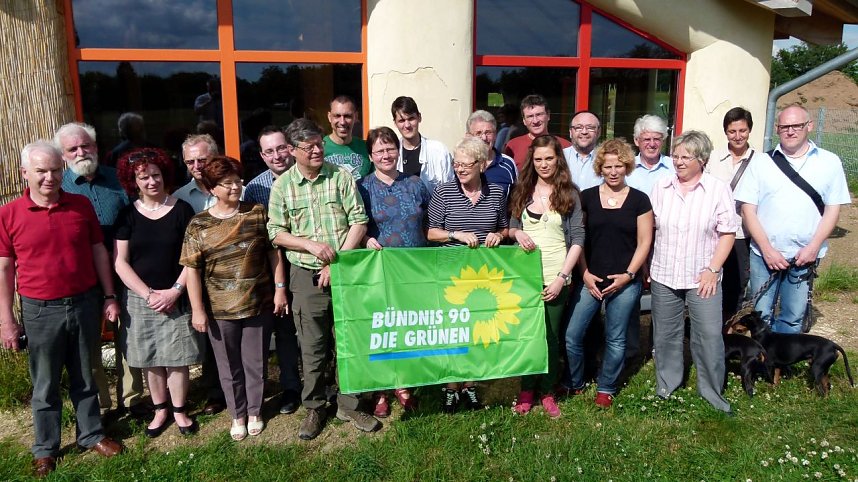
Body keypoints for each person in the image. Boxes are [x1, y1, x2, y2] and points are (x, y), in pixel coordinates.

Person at [0, 141, 123, 477]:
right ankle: (45, 449)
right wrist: (6, 319)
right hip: (40, 309)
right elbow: (5, 269)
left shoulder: (80, 206)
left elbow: (99, 252)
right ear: (24, 173)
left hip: (84, 301)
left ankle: (91, 434)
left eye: (55, 170)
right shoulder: (9, 214)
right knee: (45, 383)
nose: (50, 177)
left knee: (86, 374)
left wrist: (109, 295)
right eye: (41, 171)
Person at [268, 118, 380, 440]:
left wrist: (337, 262)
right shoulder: (283, 187)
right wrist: (309, 245)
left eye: (320, 143)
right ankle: (315, 406)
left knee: (348, 340)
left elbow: (359, 221)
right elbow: (275, 232)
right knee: (313, 346)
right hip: (304, 275)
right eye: (310, 147)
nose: (318, 150)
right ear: (292, 151)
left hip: (344, 272)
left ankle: (350, 403)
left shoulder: (340, 177)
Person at [181, 156, 288, 441]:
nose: (235, 187)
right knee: (228, 365)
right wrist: (197, 310)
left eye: (238, 181)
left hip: (258, 303)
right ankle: (237, 414)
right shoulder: (198, 225)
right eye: (227, 183)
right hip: (219, 309)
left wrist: (279, 288)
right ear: (212, 188)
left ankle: (255, 411)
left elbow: (273, 253)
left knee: (255, 362)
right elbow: (192, 269)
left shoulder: (256, 213)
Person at [735, 104, 851, 334]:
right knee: (761, 315)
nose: (790, 131)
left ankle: (783, 365)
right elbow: (748, 209)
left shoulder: (829, 162)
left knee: (792, 316)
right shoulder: (761, 162)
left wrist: (813, 247)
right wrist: (767, 249)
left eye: (796, 125)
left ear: (809, 126)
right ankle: (762, 365)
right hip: (763, 254)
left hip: (804, 256)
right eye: (784, 126)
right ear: (777, 129)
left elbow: (832, 210)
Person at [55, 122, 145, 418]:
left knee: (129, 339)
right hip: (83, 280)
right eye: (73, 148)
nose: (81, 152)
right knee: (89, 347)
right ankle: (102, 407)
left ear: (96, 147)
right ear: (63, 154)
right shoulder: (59, 189)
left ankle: (132, 401)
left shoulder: (119, 180)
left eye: (86, 145)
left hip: (124, 273)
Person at [113, 148, 203, 437]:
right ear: (133, 181)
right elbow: (120, 262)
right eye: (143, 177)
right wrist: (148, 293)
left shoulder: (182, 210)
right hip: (141, 300)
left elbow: (193, 257)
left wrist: (175, 291)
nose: (151, 181)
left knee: (177, 358)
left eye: (155, 175)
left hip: (178, 295)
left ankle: (179, 410)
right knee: (151, 357)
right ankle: (159, 409)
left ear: (164, 175)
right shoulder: (127, 214)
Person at [649, 131, 737, 414]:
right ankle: (667, 383)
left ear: (703, 159)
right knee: (665, 334)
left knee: (709, 335)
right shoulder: (660, 187)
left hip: (703, 276)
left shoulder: (717, 189)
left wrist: (713, 269)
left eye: (686, 157)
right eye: (675, 156)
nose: (678, 162)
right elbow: (649, 229)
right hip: (664, 273)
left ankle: (712, 390)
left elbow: (727, 233)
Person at [563, 138, 653, 409]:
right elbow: (578, 238)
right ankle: (575, 382)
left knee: (616, 338)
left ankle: (606, 387)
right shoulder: (587, 197)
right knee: (572, 335)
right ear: (600, 168)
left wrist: (628, 275)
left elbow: (645, 242)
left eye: (619, 166)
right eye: (608, 166)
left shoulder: (640, 200)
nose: (613, 171)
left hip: (625, 281)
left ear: (627, 167)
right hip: (590, 277)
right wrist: (585, 273)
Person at [427, 136, 509, 413]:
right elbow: (431, 232)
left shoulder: (497, 192)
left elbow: (505, 227)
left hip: (483, 275)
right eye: (456, 164)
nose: (459, 169)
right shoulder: (444, 191)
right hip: (450, 273)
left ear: (482, 165)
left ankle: (471, 385)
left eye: (466, 164)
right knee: (452, 331)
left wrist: (499, 235)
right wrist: (456, 234)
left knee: (476, 330)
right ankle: (451, 387)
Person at [508, 135, 584, 417]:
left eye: (549, 158)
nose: (543, 164)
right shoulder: (522, 191)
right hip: (526, 279)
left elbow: (577, 238)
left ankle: (548, 391)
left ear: (558, 160)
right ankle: (527, 390)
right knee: (529, 336)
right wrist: (518, 232)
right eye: (538, 159)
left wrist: (562, 278)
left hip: (556, 277)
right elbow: (511, 226)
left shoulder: (570, 194)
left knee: (551, 337)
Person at [358, 126, 431, 417]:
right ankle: (381, 390)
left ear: (398, 151)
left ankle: (405, 384)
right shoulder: (362, 187)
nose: (386, 154)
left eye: (390, 148)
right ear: (371, 155)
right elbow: (356, 223)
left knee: (408, 327)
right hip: (382, 269)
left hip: (414, 270)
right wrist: (364, 240)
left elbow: (429, 220)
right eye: (380, 150)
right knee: (384, 329)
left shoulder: (415, 183)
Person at [245, 125, 301, 415]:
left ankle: (326, 381)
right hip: (274, 268)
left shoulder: (309, 174)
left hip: (308, 263)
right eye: (269, 151)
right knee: (284, 330)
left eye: (281, 148)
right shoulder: (255, 188)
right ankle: (291, 386)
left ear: (290, 147)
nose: (277, 155)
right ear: (262, 155)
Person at [174, 133, 228, 415]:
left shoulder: (232, 188)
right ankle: (214, 391)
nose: (196, 165)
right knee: (208, 337)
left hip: (231, 276)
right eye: (190, 161)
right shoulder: (179, 199)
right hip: (198, 278)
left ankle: (240, 385)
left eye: (202, 159)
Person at [706, 107, 770, 320]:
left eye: (742, 130)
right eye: (732, 131)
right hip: (713, 231)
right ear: (726, 132)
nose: (738, 136)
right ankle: (709, 321)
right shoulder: (713, 158)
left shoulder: (761, 162)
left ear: (749, 131)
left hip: (742, 233)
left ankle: (728, 326)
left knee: (736, 282)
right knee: (709, 277)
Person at [624, 114, 675, 361]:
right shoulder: (627, 169)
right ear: (636, 140)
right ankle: (632, 349)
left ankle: (659, 349)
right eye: (647, 139)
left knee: (664, 298)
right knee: (632, 296)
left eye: (657, 139)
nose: (652, 144)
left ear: (663, 141)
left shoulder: (675, 167)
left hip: (667, 241)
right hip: (633, 242)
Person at [391, 96, 454, 193]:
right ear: (395, 123)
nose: (407, 125)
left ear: (419, 117)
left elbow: (450, 191)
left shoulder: (439, 152)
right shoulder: (391, 154)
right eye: (402, 121)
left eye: (411, 119)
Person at [503, 94, 572, 170]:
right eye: (530, 116)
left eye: (539, 114)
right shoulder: (513, 146)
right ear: (524, 120)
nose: (535, 121)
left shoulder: (565, 146)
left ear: (548, 115)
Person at [466, 110, 518, 196]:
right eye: (478, 133)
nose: (483, 137)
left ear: (495, 135)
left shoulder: (508, 164)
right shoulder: (459, 165)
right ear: (468, 136)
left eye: (488, 132)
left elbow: (516, 200)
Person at [323, 95, 372, 180]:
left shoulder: (366, 147)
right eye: (337, 116)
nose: (342, 122)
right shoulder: (320, 147)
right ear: (329, 117)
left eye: (347, 116)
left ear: (356, 117)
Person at [563, 110, 603, 190]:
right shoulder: (560, 157)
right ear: (570, 132)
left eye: (590, 128)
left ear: (598, 132)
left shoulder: (607, 159)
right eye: (578, 128)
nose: (584, 132)